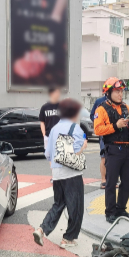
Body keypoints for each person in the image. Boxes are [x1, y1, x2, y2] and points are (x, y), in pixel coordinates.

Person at [33, 98, 87, 248]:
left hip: (57, 173)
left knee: (58, 204)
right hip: (71, 173)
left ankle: (42, 229)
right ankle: (68, 238)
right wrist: (83, 147)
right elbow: (76, 151)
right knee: (75, 206)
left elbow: (48, 153)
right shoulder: (75, 128)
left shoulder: (54, 128)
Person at [94, 77, 129, 223]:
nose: (120, 94)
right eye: (117, 91)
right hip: (113, 149)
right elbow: (97, 129)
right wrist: (115, 125)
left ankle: (121, 209)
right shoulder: (101, 109)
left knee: (127, 182)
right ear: (108, 92)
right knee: (111, 182)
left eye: (121, 91)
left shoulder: (127, 107)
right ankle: (110, 212)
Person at [90, 91, 108, 189]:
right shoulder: (100, 101)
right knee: (104, 157)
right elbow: (92, 115)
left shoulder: (119, 102)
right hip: (103, 134)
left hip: (115, 132)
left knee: (115, 157)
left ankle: (113, 179)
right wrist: (99, 122)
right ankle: (103, 180)